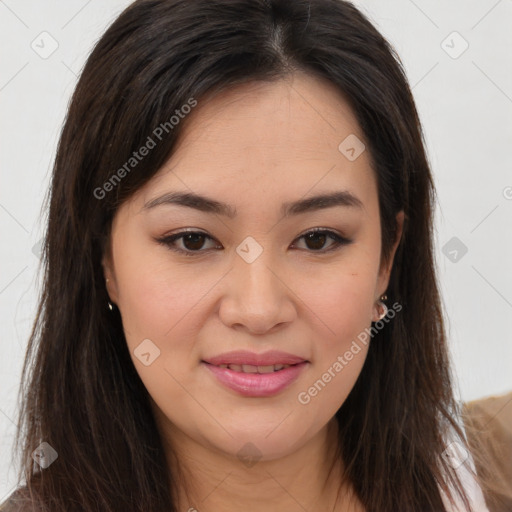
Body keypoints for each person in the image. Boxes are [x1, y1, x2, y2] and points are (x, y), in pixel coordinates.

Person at [0, 0, 495, 510]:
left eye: (318, 238)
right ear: (105, 260)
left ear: (386, 259)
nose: (258, 310)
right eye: (192, 239)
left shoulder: (489, 474)